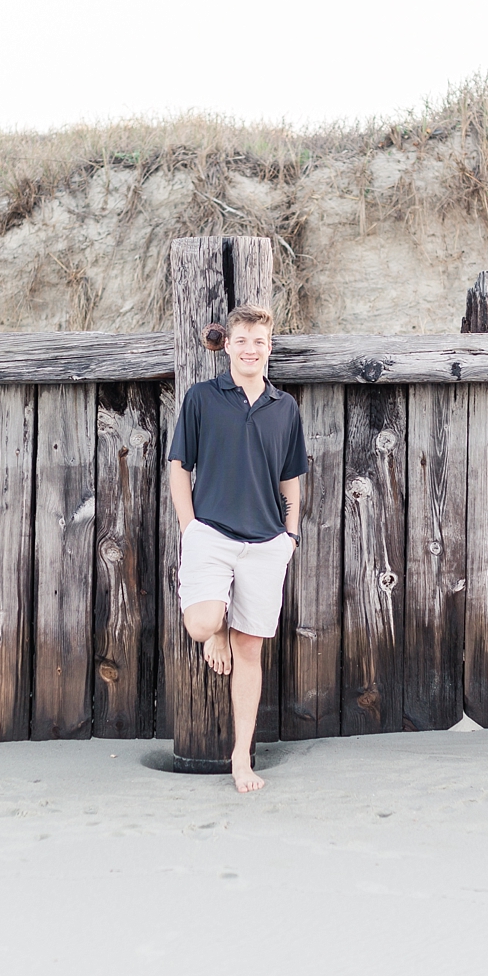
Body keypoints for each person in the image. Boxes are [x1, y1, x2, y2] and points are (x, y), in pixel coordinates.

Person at [167, 303, 306, 793]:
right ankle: (216, 630)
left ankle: (241, 758)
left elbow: (291, 481)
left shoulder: (284, 408)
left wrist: (288, 536)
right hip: (213, 534)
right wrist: (190, 529)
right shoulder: (203, 398)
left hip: (268, 544)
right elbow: (179, 466)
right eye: (242, 340)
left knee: (250, 650)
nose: (251, 349)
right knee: (203, 621)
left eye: (260, 342)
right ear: (227, 344)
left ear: (269, 349)